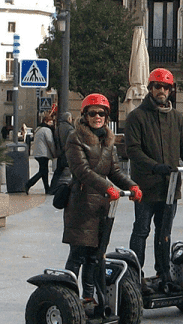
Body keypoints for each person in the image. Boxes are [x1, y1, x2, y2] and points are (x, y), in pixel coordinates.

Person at [124, 67, 183, 293]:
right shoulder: (136, 117)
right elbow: (133, 151)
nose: (161, 91)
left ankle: (163, 273)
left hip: (170, 188)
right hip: (146, 186)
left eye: (166, 87)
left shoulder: (176, 118)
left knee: (164, 231)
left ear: (171, 91)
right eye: (157, 86)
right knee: (141, 230)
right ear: (150, 89)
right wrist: (154, 166)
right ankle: (135, 275)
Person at [63, 93, 142, 304]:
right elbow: (82, 170)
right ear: (85, 115)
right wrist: (107, 186)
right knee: (78, 254)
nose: (97, 117)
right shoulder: (75, 138)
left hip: (102, 206)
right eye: (92, 113)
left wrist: (131, 185)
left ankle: (88, 297)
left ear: (106, 117)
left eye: (101, 113)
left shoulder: (108, 139)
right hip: (81, 204)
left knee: (96, 256)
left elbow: (114, 170)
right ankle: (68, 296)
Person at [25, 113, 56, 194]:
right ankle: (28, 184)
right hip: (43, 153)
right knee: (42, 172)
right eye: (50, 122)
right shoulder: (46, 130)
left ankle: (47, 188)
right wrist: (54, 153)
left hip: (38, 153)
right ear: (46, 121)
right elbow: (50, 142)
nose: (51, 123)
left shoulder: (38, 129)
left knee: (44, 171)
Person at [49, 112, 75, 193]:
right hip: (68, 153)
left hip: (60, 154)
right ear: (69, 119)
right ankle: (74, 188)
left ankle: (52, 188)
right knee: (75, 171)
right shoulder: (70, 129)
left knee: (57, 172)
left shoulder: (58, 128)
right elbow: (71, 142)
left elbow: (55, 140)